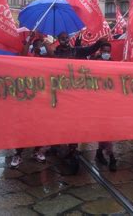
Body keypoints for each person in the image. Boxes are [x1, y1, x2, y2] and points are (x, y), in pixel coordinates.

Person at [53, 31, 107, 173]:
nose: (65, 40)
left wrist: (100, 42)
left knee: (74, 122)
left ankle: (73, 147)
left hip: (76, 93)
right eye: (62, 38)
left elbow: (90, 50)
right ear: (58, 40)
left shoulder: (77, 51)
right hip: (60, 93)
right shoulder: (55, 53)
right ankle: (58, 144)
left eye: (66, 38)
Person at [9, 37, 49, 168]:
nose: (39, 47)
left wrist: (46, 45)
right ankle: (18, 154)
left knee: (41, 128)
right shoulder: (27, 58)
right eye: (36, 45)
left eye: (41, 45)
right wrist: (30, 40)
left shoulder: (46, 60)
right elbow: (23, 54)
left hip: (42, 100)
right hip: (26, 99)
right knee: (24, 128)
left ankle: (37, 151)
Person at [92, 42, 117, 172]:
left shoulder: (113, 62)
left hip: (109, 102)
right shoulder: (93, 63)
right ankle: (111, 157)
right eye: (104, 51)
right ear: (100, 51)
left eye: (108, 51)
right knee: (105, 130)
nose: (106, 53)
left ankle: (100, 152)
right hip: (97, 102)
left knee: (107, 130)